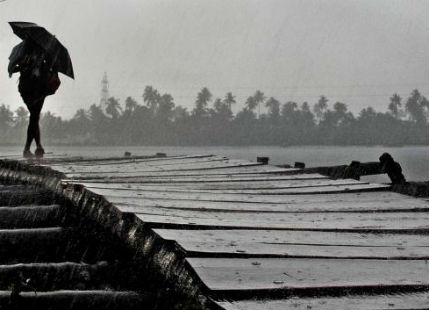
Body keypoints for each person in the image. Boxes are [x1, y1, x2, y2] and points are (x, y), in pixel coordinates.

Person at [8, 40, 61, 158]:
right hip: (27, 90)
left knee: (34, 116)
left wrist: (50, 66)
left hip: (40, 91)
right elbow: (14, 68)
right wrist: (23, 64)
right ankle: (33, 147)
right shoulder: (25, 53)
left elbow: (52, 72)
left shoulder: (46, 57)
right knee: (34, 116)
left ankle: (34, 147)